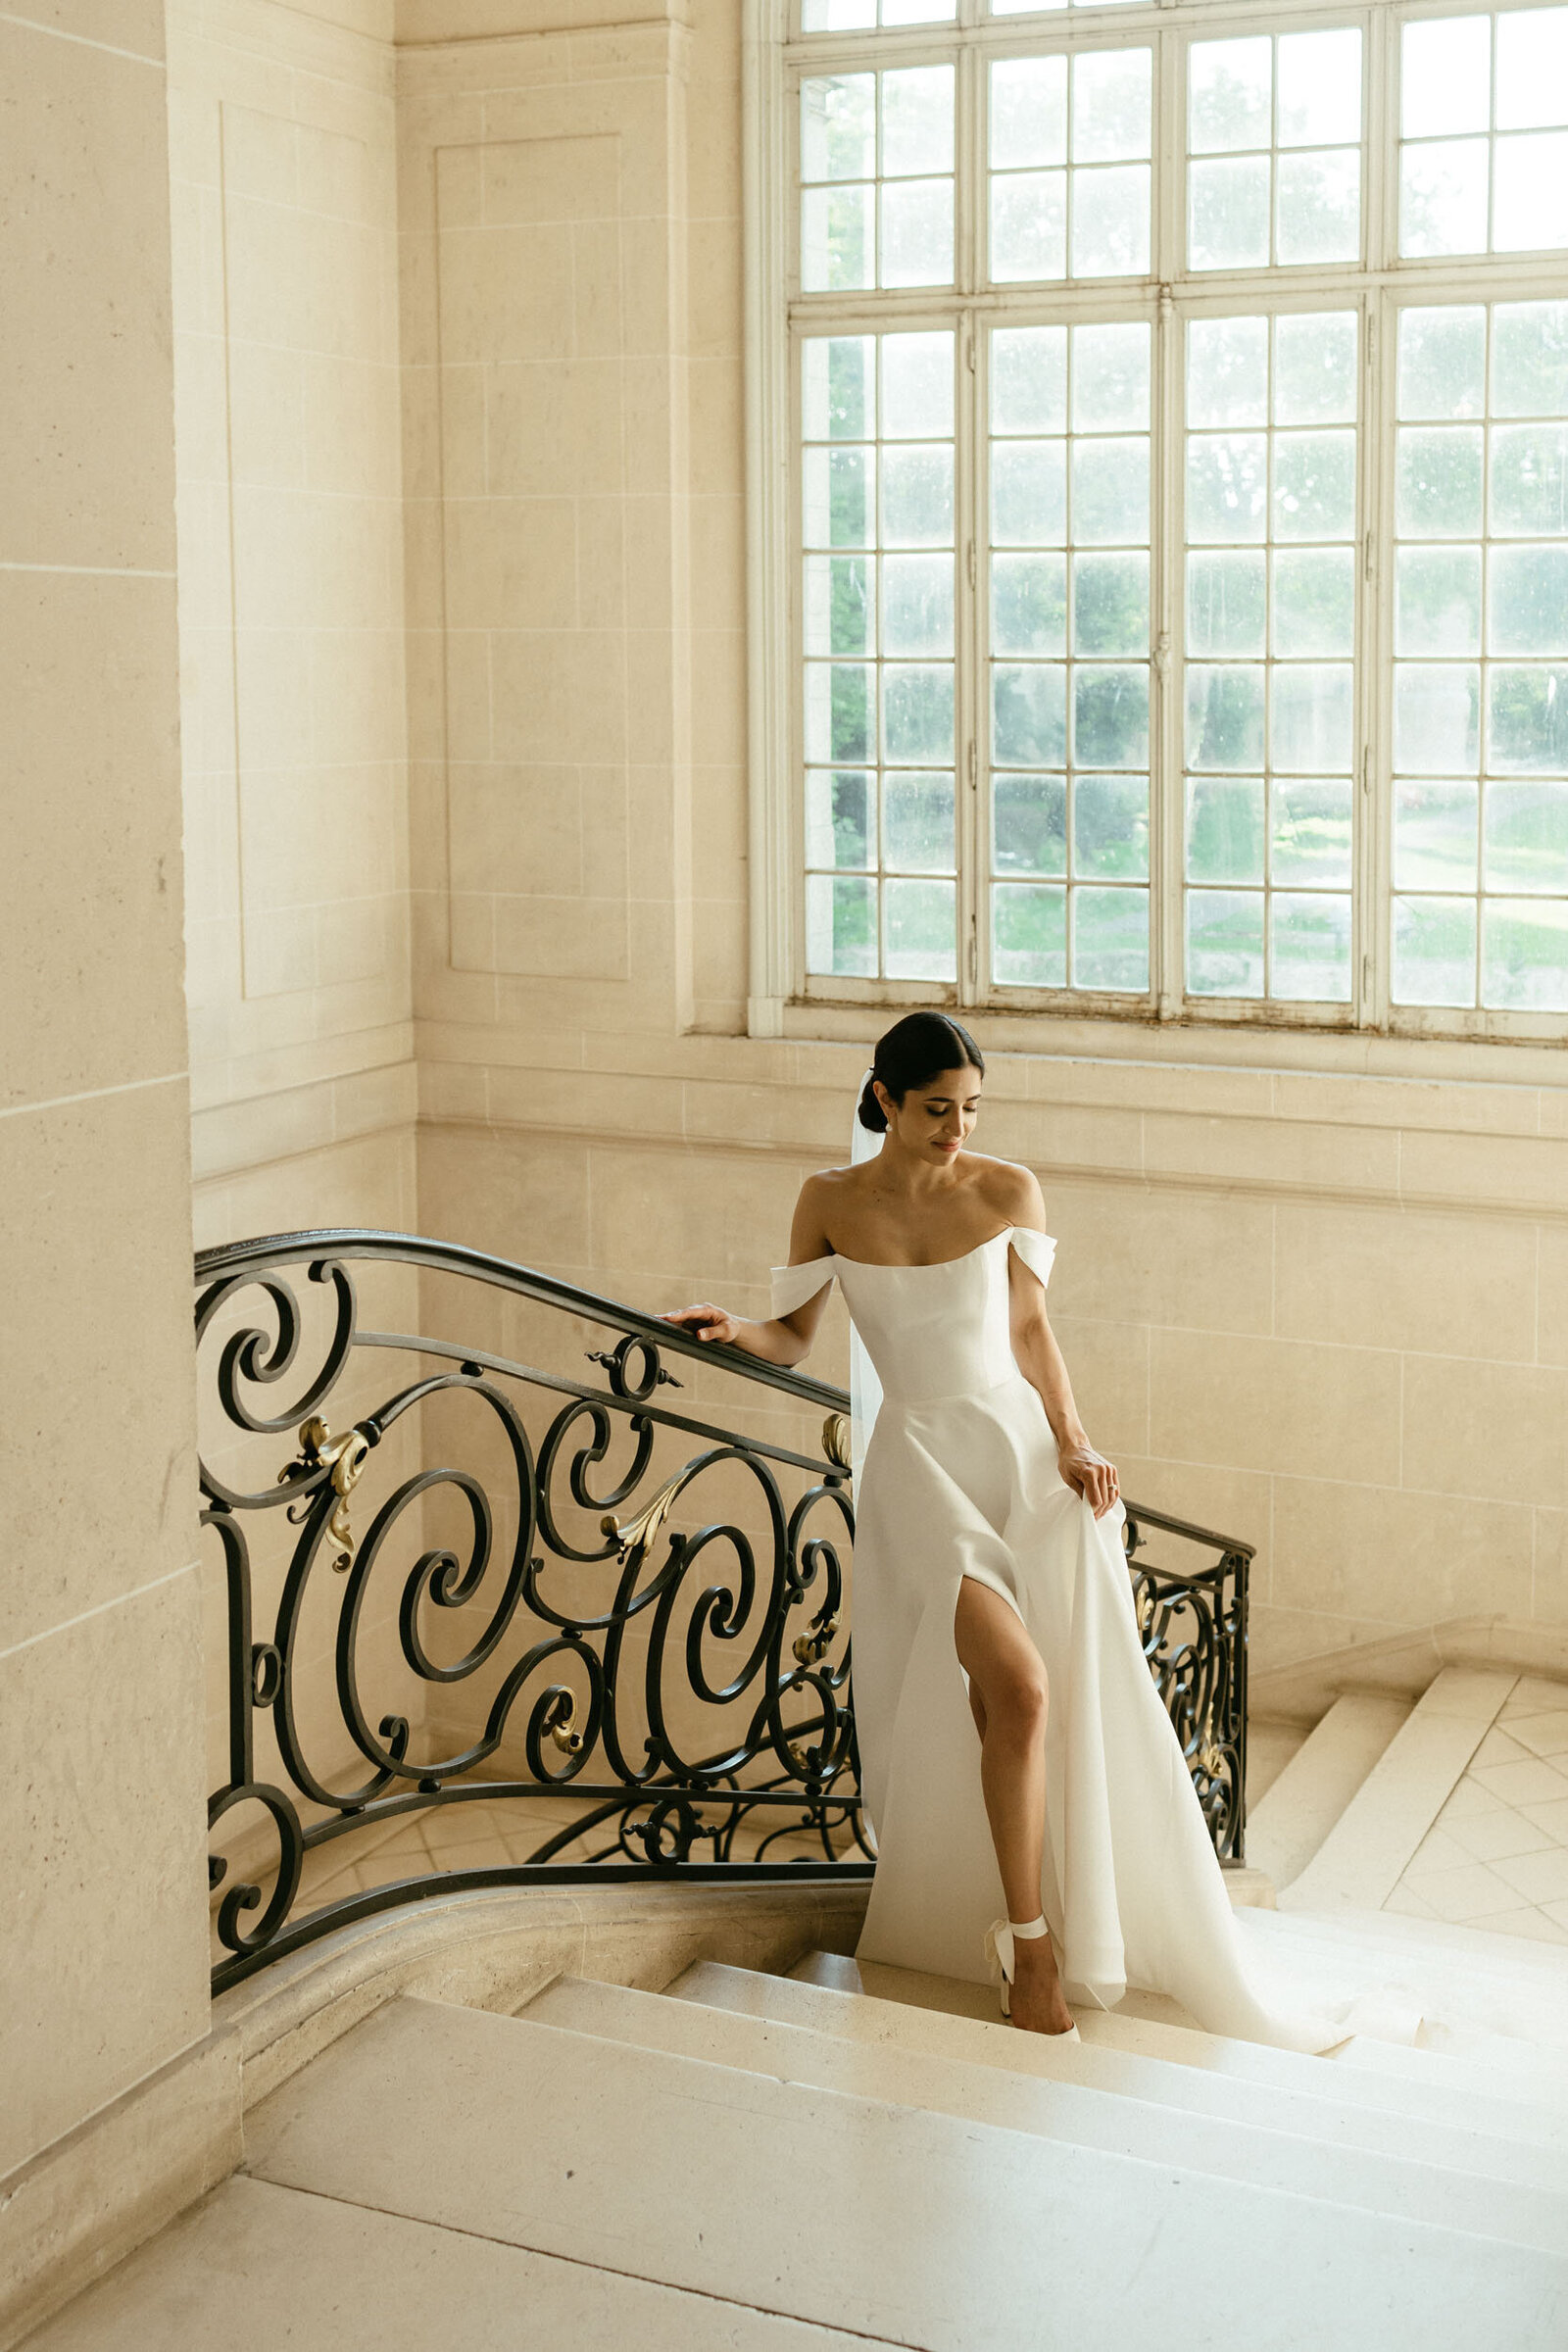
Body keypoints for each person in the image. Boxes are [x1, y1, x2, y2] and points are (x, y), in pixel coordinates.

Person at [662, 1011, 1344, 2052]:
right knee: (1018, 1685)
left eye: (970, 1109)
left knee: (1037, 1695)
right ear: (884, 1099)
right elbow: (796, 1337)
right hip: (915, 1467)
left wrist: (1073, 1439)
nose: (956, 1129)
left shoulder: (1006, 1189)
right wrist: (731, 1330)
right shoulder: (828, 1201)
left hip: (1017, 1456)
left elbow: (1029, 1329)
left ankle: (1044, 1910)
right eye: (937, 1109)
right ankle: (1028, 1941)